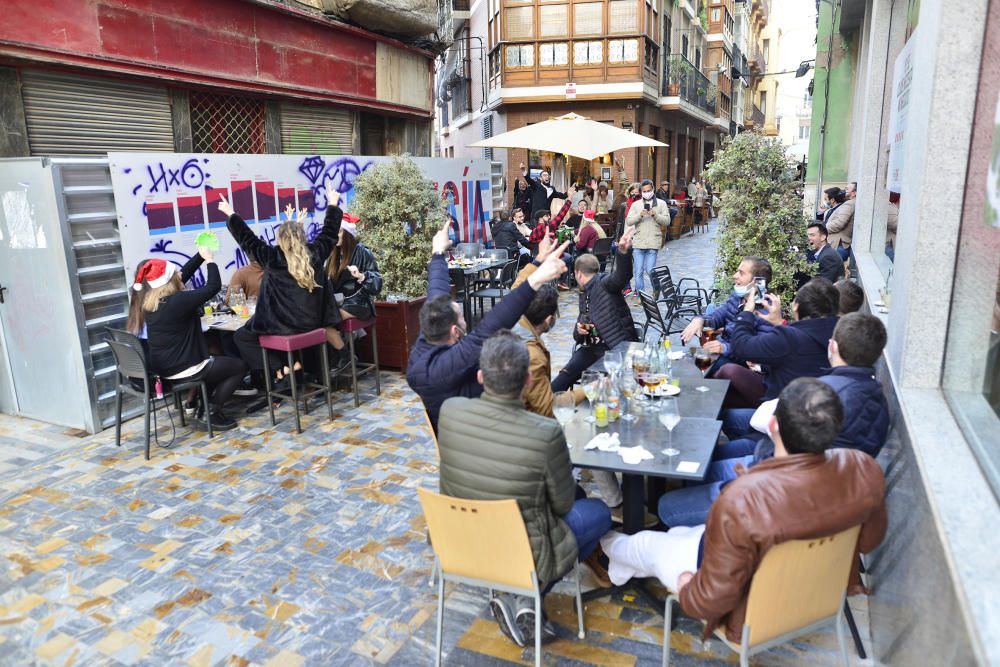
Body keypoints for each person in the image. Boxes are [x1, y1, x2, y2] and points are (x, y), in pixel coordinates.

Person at [602, 377, 887, 645]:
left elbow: (710, 599)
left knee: (637, 543)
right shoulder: (863, 468)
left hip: (749, 613)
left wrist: (687, 588)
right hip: (817, 595)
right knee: (677, 532)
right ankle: (621, 569)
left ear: (772, 425)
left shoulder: (744, 499)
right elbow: (868, 541)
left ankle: (602, 545)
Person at [438, 330, 612, 646]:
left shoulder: (450, 412)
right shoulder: (544, 433)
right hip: (520, 545)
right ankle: (527, 593)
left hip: (460, 541)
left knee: (575, 502)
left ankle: (519, 597)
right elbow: (561, 506)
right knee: (599, 512)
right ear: (529, 382)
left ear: (480, 376)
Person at [659, 313, 890, 527]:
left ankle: (703, 528)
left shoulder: (821, 395)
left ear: (832, 346)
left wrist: (747, 473)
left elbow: (782, 456)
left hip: (780, 490)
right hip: (812, 488)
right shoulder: (877, 398)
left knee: (668, 505)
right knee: (706, 461)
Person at [407, 220, 569, 430]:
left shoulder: (428, 337)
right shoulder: (444, 367)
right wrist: (536, 280)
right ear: (455, 331)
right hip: (475, 436)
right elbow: (493, 323)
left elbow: (436, 291)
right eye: (460, 314)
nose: (460, 310)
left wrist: (438, 251)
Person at [220, 195, 341, 389]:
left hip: (281, 326)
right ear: (302, 237)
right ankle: (289, 366)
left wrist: (230, 213)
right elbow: (330, 232)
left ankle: (284, 366)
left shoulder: (271, 257)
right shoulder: (316, 252)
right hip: (312, 323)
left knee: (242, 336)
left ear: (281, 240)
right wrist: (333, 204)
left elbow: (246, 238)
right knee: (256, 331)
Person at [716, 278, 840, 438]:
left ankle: (753, 443)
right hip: (813, 413)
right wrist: (780, 323)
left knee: (726, 407)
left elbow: (741, 346)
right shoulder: (839, 333)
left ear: (796, 307)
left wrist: (747, 312)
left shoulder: (789, 338)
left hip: (783, 414)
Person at [138, 254, 248, 430]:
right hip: (186, 368)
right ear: (170, 281)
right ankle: (211, 412)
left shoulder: (151, 301)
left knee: (216, 362)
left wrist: (200, 255)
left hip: (165, 368)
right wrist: (211, 259)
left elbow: (182, 275)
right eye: (175, 274)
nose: (180, 275)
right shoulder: (178, 301)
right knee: (239, 366)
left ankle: (202, 407)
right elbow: (213, 286)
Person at [551, 227, 637, 392]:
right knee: (564, 376)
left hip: (616, 349)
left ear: (578, 274)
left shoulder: (605, 283)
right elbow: (579, 329)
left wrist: (624, 252)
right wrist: (579, 331)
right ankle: (545, 404)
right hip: (591, 349)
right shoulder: (584, 291)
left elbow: (622, 276)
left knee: (601, 389)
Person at [323, 213, 383, 368]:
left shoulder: (362, 252)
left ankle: (345, 358)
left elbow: (377, 284)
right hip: (339, 302)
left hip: (360, 303)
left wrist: (361, 276)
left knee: (325, 319)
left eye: (340, 231)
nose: (336, 235)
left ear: (348, 233)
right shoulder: (333, 255)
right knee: (319, 317)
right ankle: (336, 362)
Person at [625, 179, 670, 294]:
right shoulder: (636, 205)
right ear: (641, 192)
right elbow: (629, 221)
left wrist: (656, 215)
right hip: (639, 242)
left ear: (653, 189)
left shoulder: (661, 203)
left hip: (653, 241)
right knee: (638, 271)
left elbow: (667, 221)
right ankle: (641, 295)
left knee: (650, 271)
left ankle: (656, 290)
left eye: (649, 190)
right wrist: (639, 215)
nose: (646, 193)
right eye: (644, 191)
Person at [827, 182, 856, 261]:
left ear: (854, 193)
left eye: (847, 189)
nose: (844, 191)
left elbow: (839, 223)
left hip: (838, 245)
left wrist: (822, 229)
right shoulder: (851, 203)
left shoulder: (849, 204)